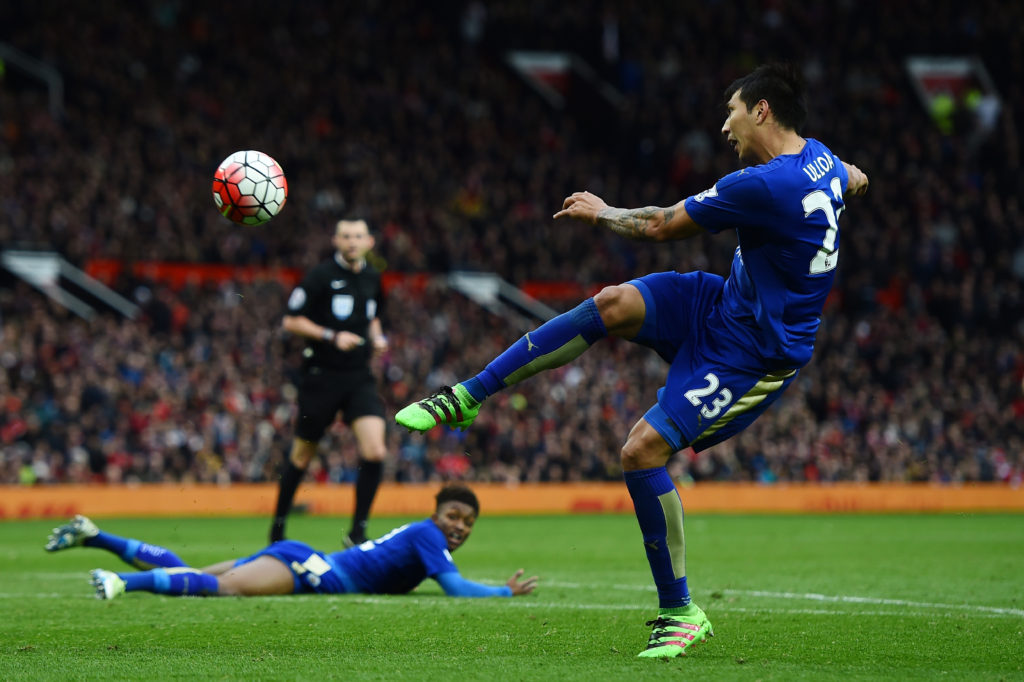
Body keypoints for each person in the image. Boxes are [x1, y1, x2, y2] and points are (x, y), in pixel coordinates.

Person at [395, 64, 869, 659]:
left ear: (763, 110)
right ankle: (467, 394)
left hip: (756, 355)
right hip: (720, 305)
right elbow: (854, 178)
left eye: (732, 111)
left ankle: (681, 612)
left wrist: (602, 213)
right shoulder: (821, 159)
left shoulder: (764, 184)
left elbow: (661, 224)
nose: (725, 126)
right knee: (612, 303)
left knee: (642, 450)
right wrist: (852, 185)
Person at [45, 484, 538, 600]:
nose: (461, 526)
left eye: (468, 521)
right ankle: (121, 583)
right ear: (437, 515)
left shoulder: (424, 533)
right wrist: (502, 592)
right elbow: (454, 589)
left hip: (309, 558)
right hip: (318, 572)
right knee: (228, 588)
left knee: (198, 573)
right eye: (455, 516)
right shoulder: (430, 537)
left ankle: (96, 537)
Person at [271, 218, 390, 547]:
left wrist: (377, 338)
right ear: (336, 241)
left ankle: (357, 533)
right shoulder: (320, 277)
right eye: (346, 236)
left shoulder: (372, 278)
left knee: (376, 451)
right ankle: (277, 532)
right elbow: (291, 320)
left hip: (358, 377)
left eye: (358, 236)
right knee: (301, 457)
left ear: (369, 242)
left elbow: (374, 316)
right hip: (321, 376)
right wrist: (330, 336)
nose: (352, 242)